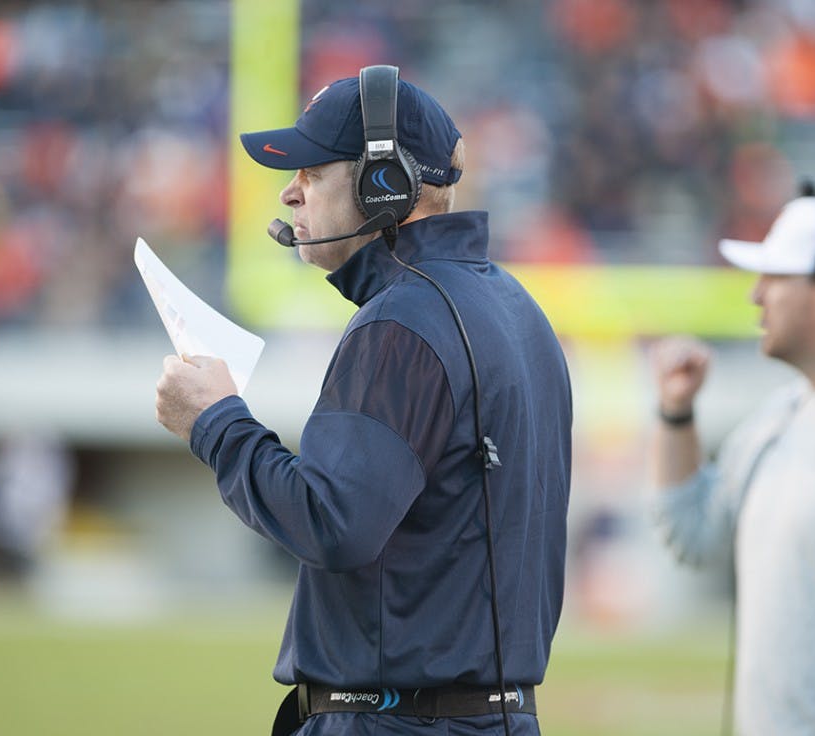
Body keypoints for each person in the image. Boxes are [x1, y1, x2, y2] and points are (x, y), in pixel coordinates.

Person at [154, 66, 572, 736]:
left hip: (398, 722)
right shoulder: (515, 306)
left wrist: (216, 423)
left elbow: (333, 523)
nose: (290, 194)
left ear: (386, 183)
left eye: (312, 173)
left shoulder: (399, 322)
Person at [649, 187, 815, 735]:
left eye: (776, 278)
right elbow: (693, 535)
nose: (755, 295)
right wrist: (677, 414)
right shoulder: (777, 418)